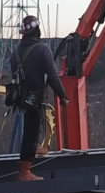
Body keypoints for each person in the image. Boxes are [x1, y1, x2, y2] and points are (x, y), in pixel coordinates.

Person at [11, 16, 68, 181]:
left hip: (19, 94)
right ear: (37, 30)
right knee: (31, 129)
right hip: (34, 95)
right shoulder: (42, 49)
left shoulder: (16, 52)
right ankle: (24, 171)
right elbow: (53, 77)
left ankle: (34, 148)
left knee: (32, 125)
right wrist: (63, 96)